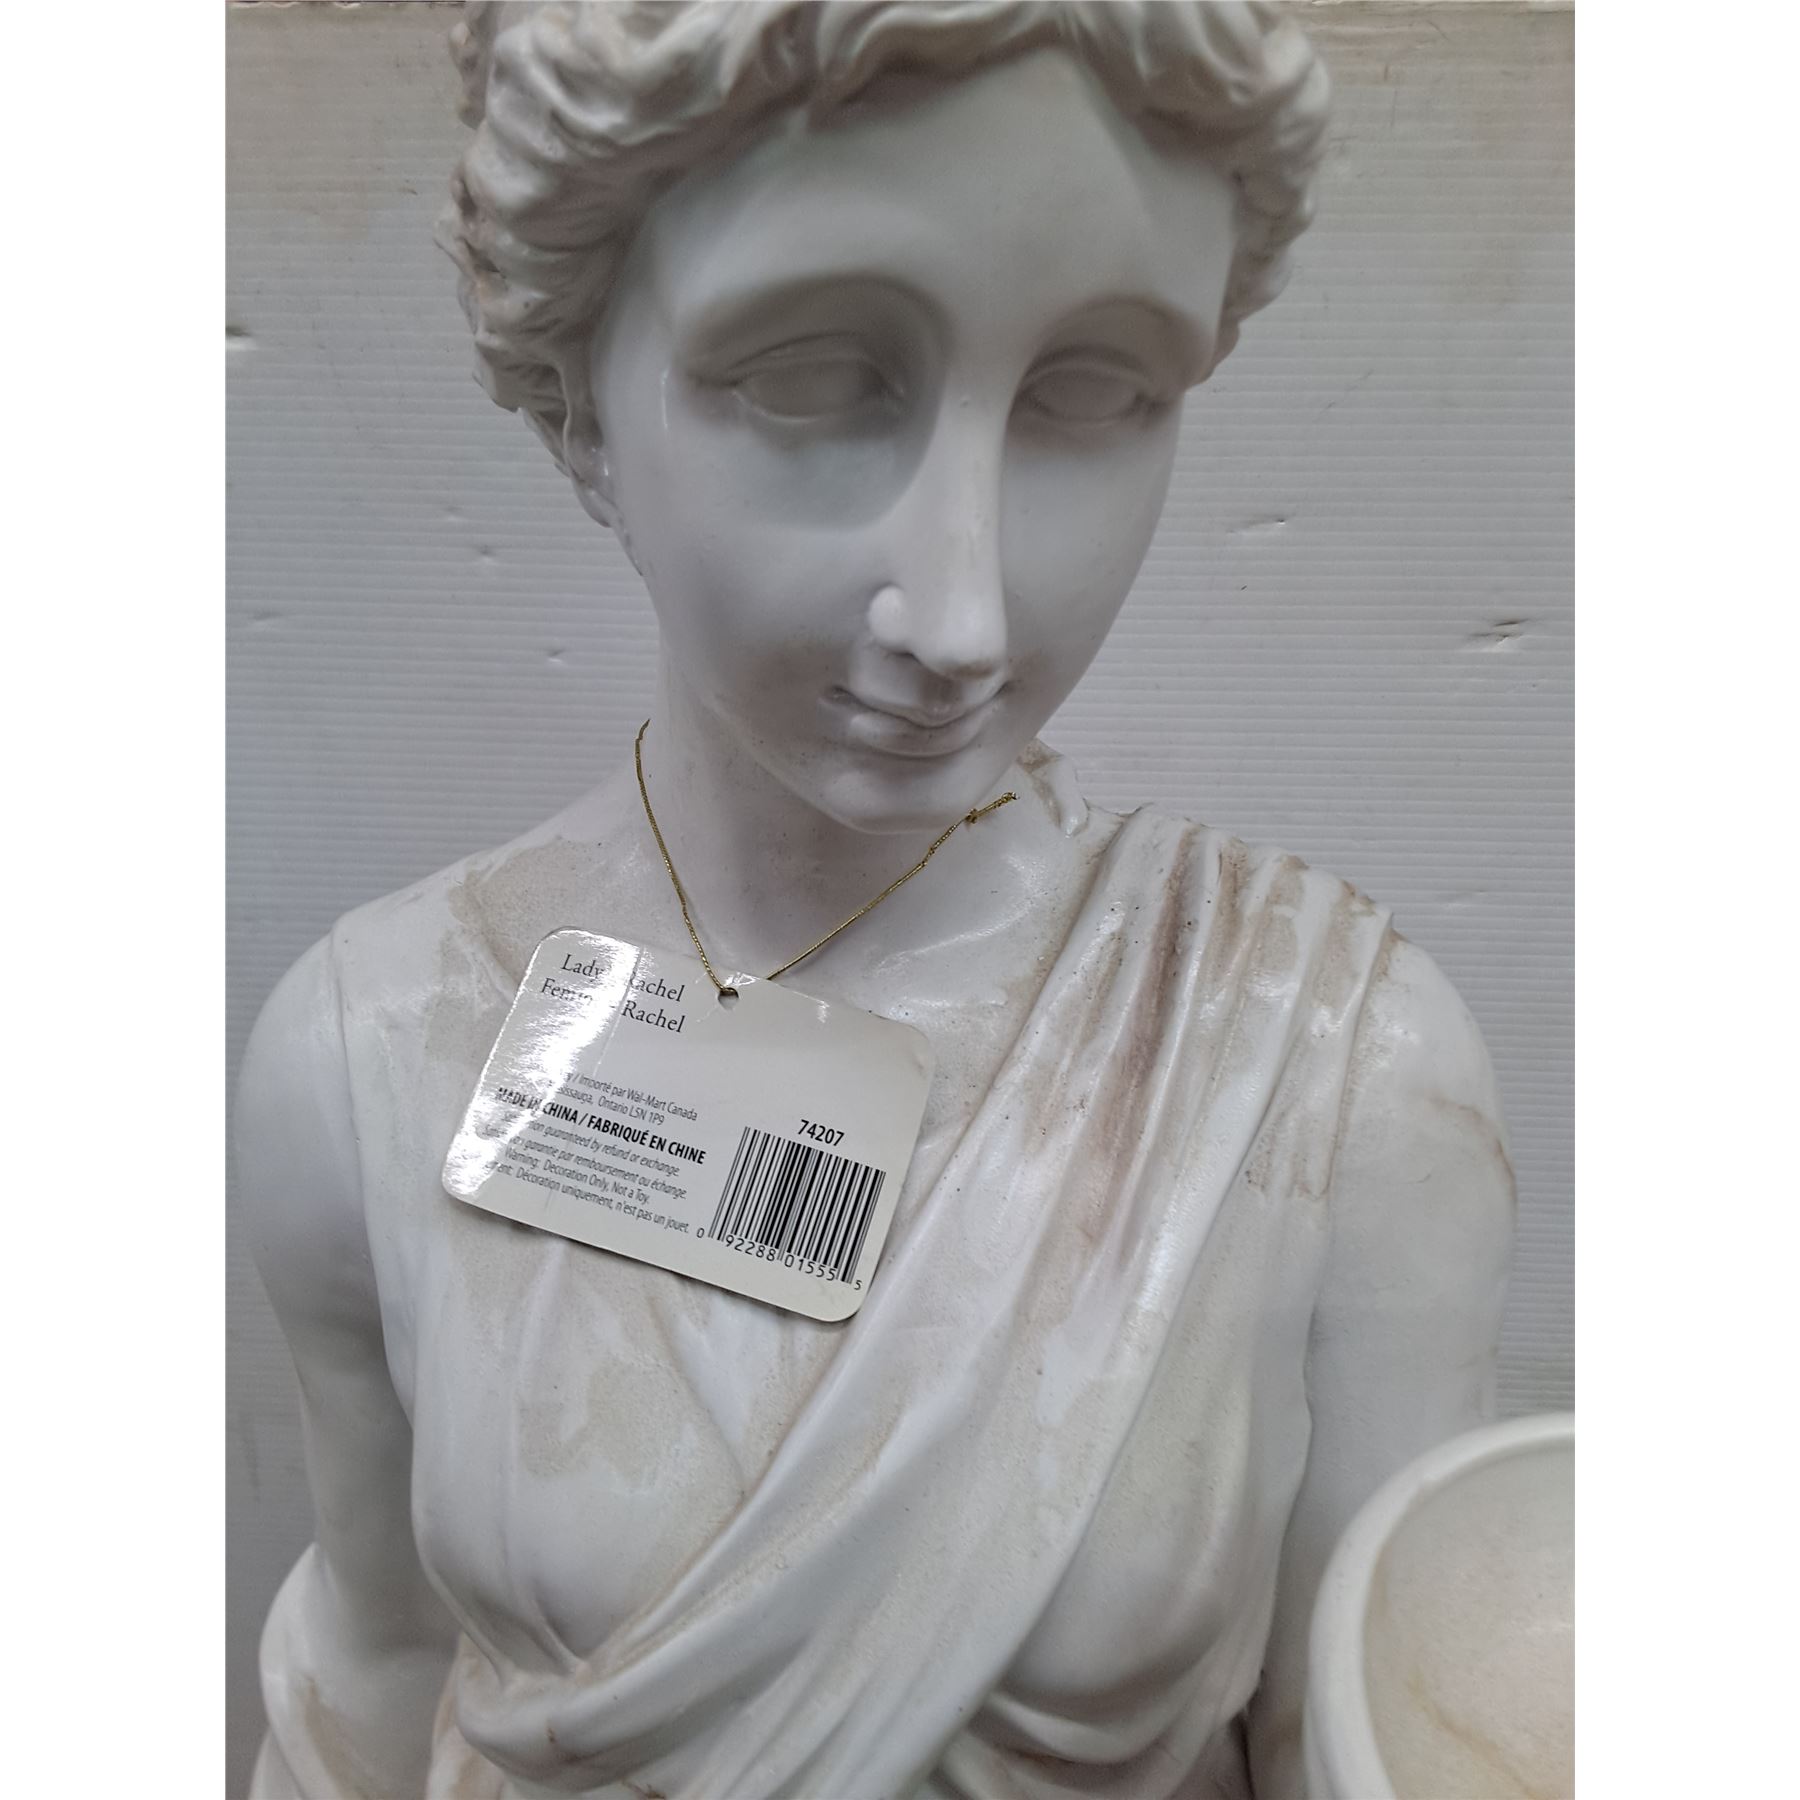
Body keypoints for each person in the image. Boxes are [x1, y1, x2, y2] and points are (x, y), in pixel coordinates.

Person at [238, 5, 1514, 1796]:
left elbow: (1375, 1740)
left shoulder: (1333, 1082)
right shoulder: (372, 1049)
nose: (962, 619)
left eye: (1096, 395)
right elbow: (370, 1673)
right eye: (812, 382)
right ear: (579, 397)